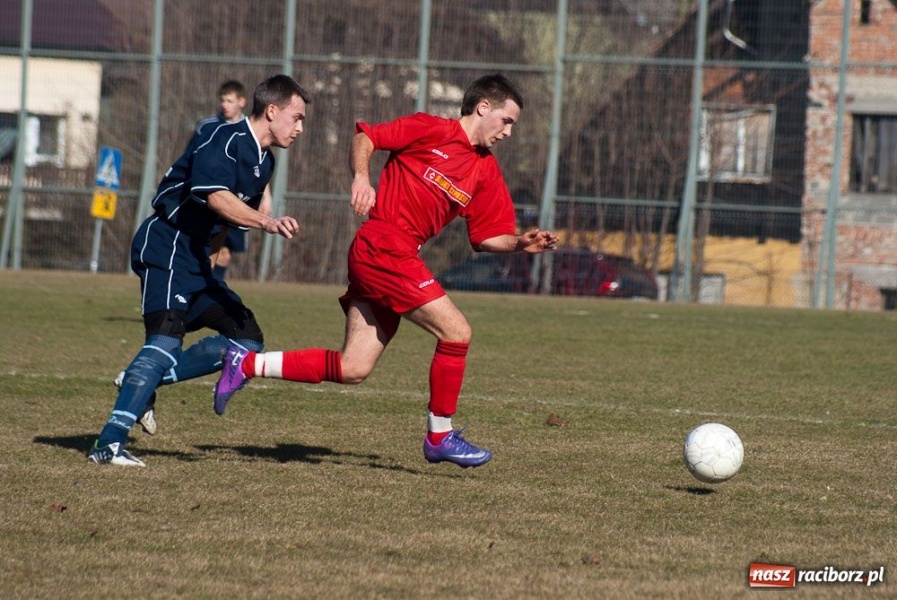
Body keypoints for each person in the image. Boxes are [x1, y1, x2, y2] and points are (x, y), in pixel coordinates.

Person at [212, 73, 558, 468]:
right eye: (507, 120)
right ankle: (440, 435)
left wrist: (519, 243)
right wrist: (362, 177)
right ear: (483, 108)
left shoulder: (485, 171)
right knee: (457, 331)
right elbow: (366, 137)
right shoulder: (430, 129)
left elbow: (486, 236)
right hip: (383, 246)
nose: (509, 132)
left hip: (395, 254)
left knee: (353, 367)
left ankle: (246, 364)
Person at [88, 74, 312, 467]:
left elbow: (225, 220)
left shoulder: (265, 162)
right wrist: (268, 222)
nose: (300, 127)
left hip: (194, 258)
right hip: (168, 243)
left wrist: (211, 256)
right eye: (296, 117)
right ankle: (108, 444)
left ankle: (142, 381)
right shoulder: (223, 139)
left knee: (247, 337)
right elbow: (217, 198)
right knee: (165, 341)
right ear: (272, 110)